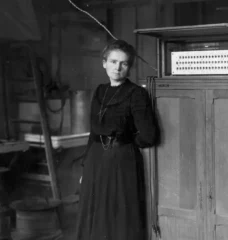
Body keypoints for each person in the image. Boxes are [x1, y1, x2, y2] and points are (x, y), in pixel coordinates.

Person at [76, 39, 158, 240]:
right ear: (104, 63)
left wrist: (124, 141)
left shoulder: (137, 94)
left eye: (123, 63)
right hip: (96, 160)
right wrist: (86, 165)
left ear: (129, 67)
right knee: (94, 214)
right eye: (113, 61)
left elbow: (149, 135)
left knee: (119, 216)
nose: (117, 67)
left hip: (122, 160)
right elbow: (94, 132)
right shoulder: (100, 91)